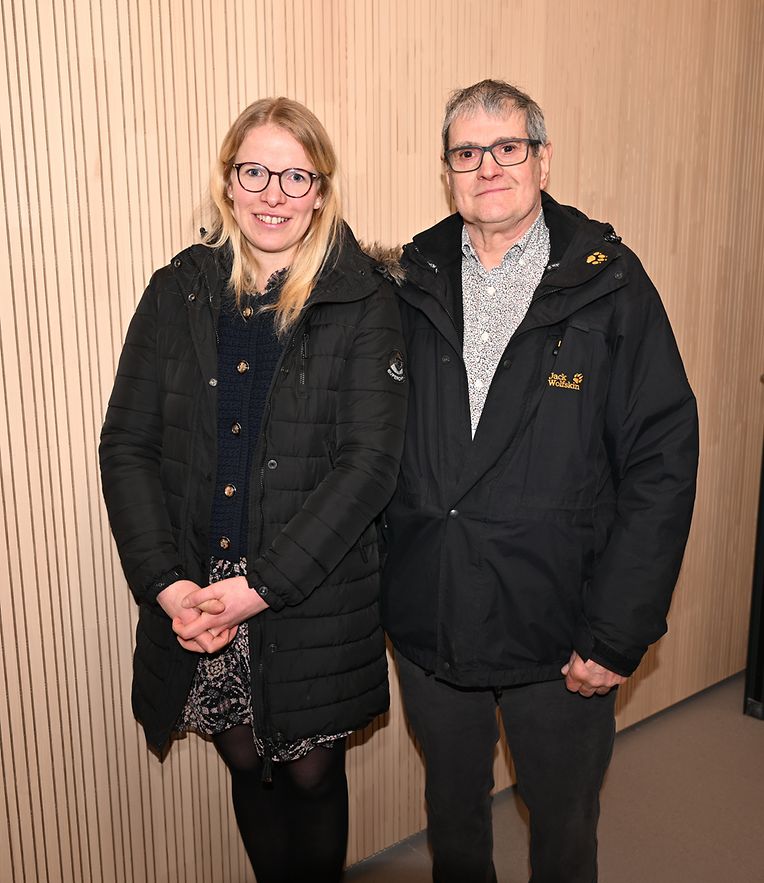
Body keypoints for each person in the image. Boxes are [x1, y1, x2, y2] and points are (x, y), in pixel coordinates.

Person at [381, 79, 698, 883]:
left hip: (561, 631)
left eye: (507, 147)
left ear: (543, 160)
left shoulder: (610, 283)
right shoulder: (408, 282)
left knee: (563, 824)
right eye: (466, 152)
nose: (487, 166)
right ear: (447, 171)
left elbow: (661, 462)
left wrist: (617, 631)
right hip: (433, 616)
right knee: (453, 819)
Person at [100, 97, 407, 883]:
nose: (273, 194)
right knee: (244, 759)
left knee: (311, 772)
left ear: (320, 190)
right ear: (228, 181)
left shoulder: (362, 299)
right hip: (200, 591)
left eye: (295, 176)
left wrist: (261, 587)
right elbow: (127, 444)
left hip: (310, 589)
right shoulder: (178, 290)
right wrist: (166, 584)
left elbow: (369, 465)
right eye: (255, 171)